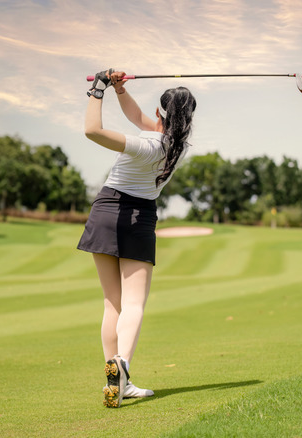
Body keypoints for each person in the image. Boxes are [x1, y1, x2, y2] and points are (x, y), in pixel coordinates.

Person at [78, 68, 197, 408]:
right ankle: (123, 368)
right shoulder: (176, 146)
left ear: (160, 113)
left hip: (105, 211)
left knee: (112, 303)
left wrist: (98, 88)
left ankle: (114, 374)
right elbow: (139, 118)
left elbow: (92, 131)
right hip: (139, 217)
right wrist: (119, 90)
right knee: (133, 303)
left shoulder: (146, 143)